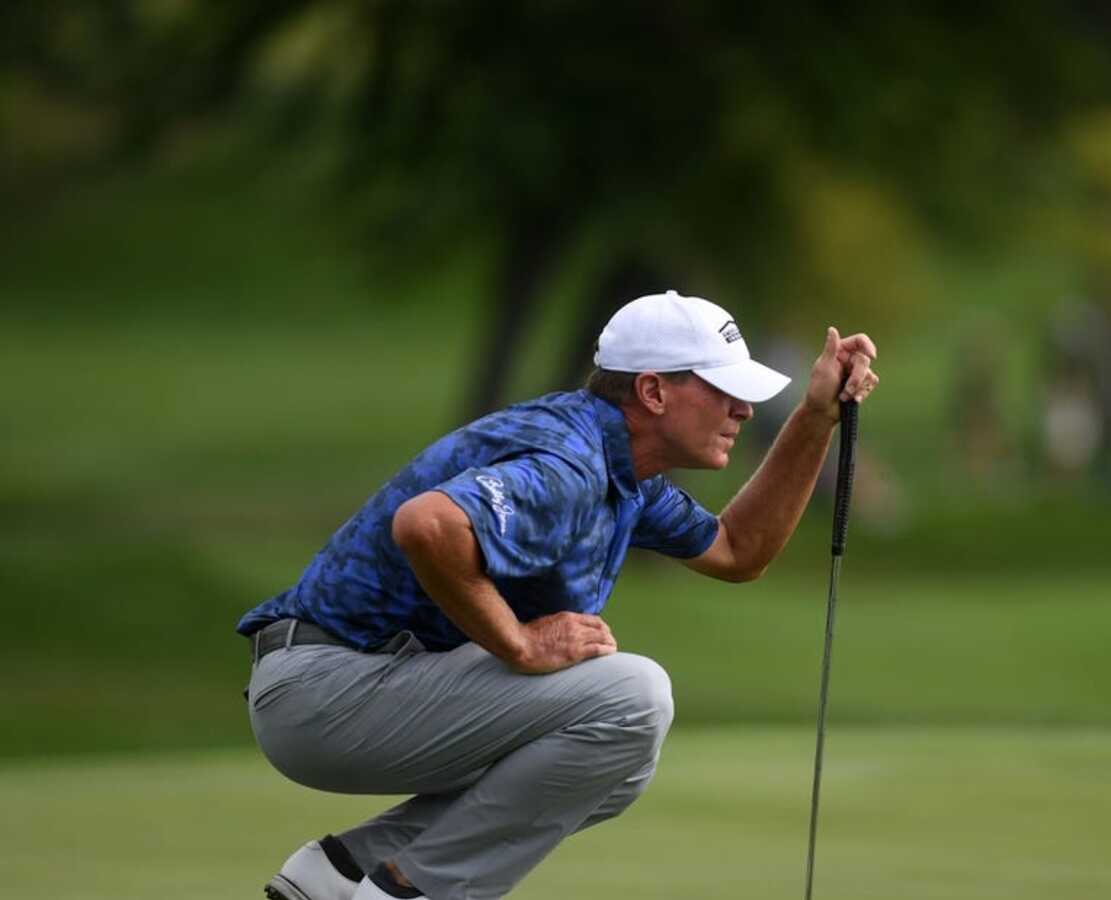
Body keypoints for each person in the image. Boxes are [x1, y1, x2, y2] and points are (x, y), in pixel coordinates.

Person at [237, 290, 881, 900]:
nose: (742, 411)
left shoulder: (622, 466)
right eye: (722, 391)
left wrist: (814, 417)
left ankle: (340, 873)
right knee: (631, 698)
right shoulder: (570, 465)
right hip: (328, 690)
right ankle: (410, 894)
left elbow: (739, 549)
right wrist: (517, 643)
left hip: (360, 680)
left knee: (614, 765)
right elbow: (427, 525)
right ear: (654, 391)